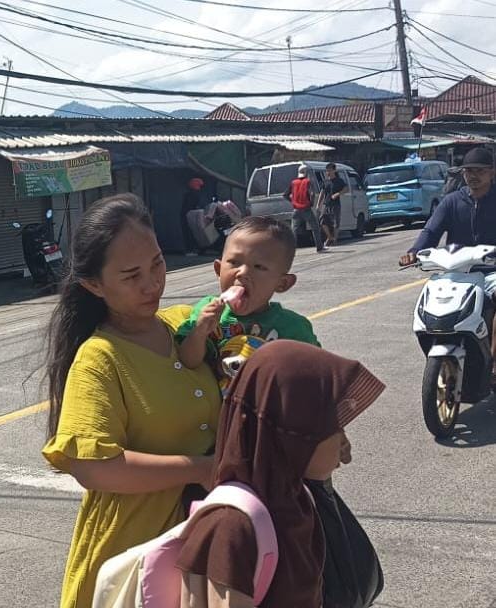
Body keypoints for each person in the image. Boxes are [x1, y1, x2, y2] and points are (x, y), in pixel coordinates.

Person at [41, 193, 222, 608]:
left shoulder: (184, 325)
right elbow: (95, 468)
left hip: (207, 544)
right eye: (131, 275)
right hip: (135, 557)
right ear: (94, 285)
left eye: (157, 263)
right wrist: (201, 468)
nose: (152, 283)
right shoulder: (99, 359)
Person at [175, 341, 384, 608]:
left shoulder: (297, 498)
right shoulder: (232, 528)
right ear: (294, 433)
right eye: (332, 426)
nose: (343, 440)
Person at [177, 217, 320, 395]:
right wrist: (199, 331)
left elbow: (315, 375)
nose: (243, 272)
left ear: (282, 283)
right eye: (234, 262)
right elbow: (187, 361)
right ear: (218, 269)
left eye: (259, 266)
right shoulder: (205, 312)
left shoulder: (294, 328)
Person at [399, 147, 496, 371]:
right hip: (458, 272)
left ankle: (493, 365)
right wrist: (414, 251)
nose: (473, 176)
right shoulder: (452, 201)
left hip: (491, 272)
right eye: (468, 171)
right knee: (434, 303)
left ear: (492, 172)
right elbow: (431, 231)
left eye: (480, 171)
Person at [283, 165, 325, 253]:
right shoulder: (308, 182)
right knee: (315, 227)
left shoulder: (293, 183)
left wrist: (293, 201)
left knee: (294, 230)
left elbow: (285, 195)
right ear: (306, 173)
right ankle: (319, 247)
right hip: (306, 209)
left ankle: (291, 249)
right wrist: (311, 203)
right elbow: (312, 193)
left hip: (296, 210)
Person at [318, 163, 348, 248]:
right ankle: (329, 237)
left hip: (335, 204)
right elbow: (322, 193)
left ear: (334, 170)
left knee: (336, 222)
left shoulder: (339, 181)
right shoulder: (325, 181)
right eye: (327, 170)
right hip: (326, 204)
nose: (328, 172)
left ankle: (334, 239)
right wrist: (318, 204)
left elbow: (346, 189)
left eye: (330, 170)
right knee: (322, 221)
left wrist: (338, 194)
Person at [182, 177, 206, 256]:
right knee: (189, 233)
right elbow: (192, 207)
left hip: (190, 215)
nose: (200, 189)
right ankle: (190, 250)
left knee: (191, 233)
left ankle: (193, 249)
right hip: (189, 216)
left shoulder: (191, 194)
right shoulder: (192, 195)